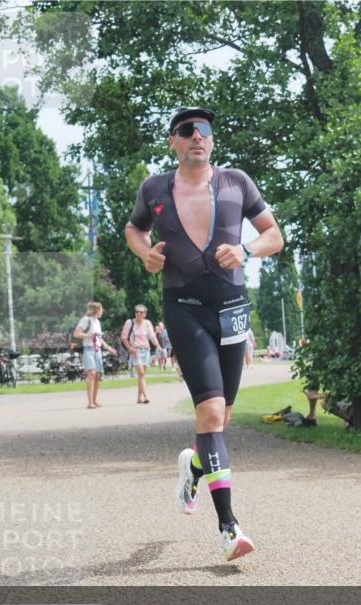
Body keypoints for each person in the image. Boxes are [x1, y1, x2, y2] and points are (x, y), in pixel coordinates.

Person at [125, 106, 283, 561]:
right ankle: (229, 529)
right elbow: (134, 229)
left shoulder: (237, 182)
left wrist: (247, 249)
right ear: (174, 141)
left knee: (220, 419)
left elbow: (274, 235)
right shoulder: (154, 188)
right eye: (188, 131)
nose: (198, 136)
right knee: (211, 415)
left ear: (212, 140)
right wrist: (144, 255)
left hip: (232, 308)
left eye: (205, 130)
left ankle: (192, 467)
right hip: (184, 308)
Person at [74, 301, 118, 409]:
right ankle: (90, 403)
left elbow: (100, 339)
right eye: (101, 309)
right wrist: (89, 335)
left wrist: (109, 348)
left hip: (97, 351)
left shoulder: (97, 322)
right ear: (96, 310)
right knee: (92, 374)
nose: (102, 312)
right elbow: (76, 333)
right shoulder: (85, 320)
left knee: (98, 376)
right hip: (89, 350)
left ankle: (94, 400)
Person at [121, 305, 161, 404]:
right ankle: (145, 396)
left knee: (141, 376)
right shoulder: (129, 322)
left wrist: (158, 346)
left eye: (141, 312)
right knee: (141, 373)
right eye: (137, 312)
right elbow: (124, 338)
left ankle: (139, 398)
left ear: (145, 314)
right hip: (136, 351)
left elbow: (152, 336)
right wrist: (130, 348)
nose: (138, 313)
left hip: (146, 351)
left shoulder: (148, 323)